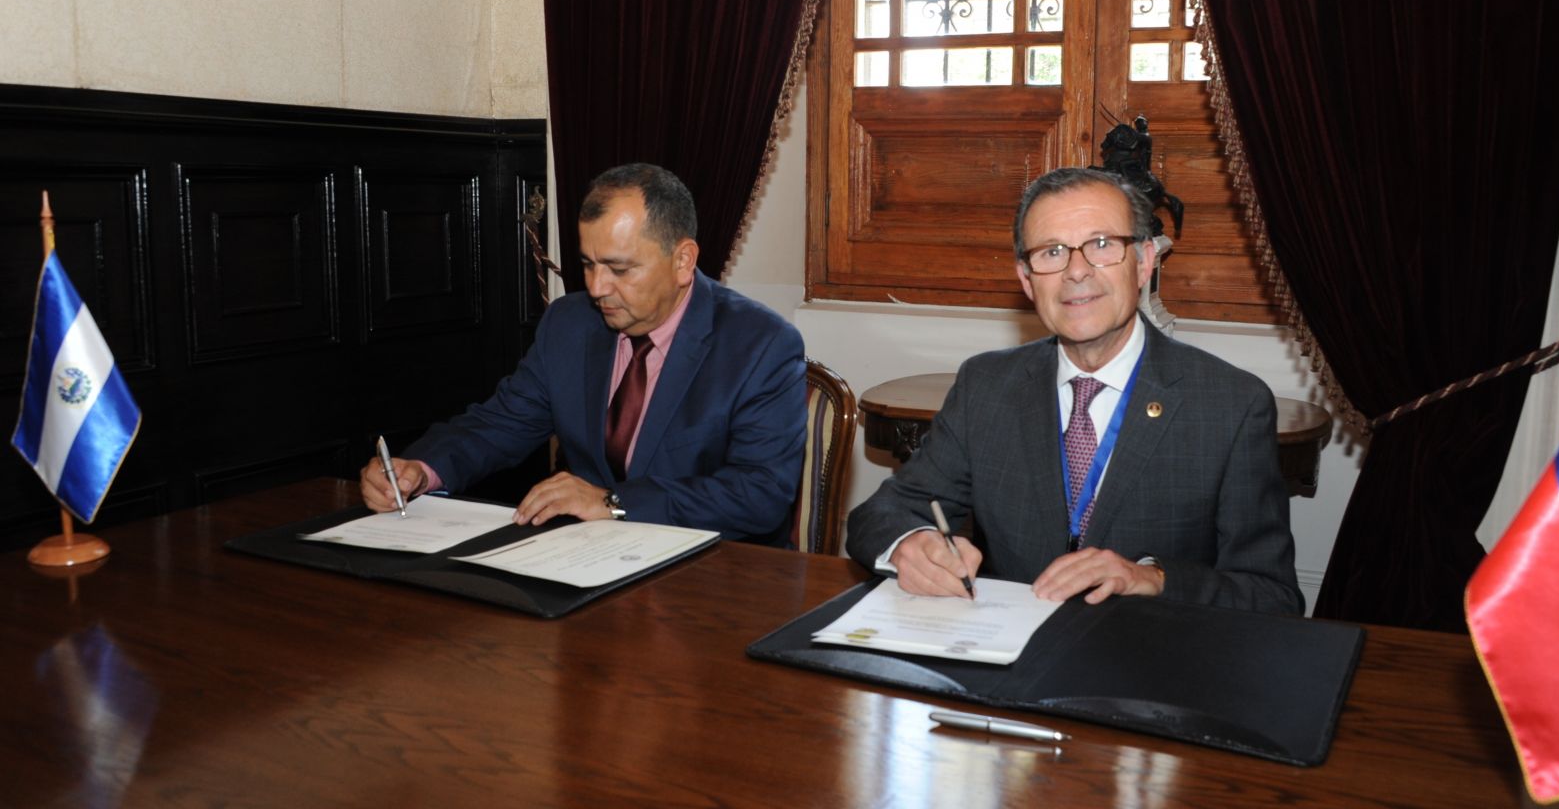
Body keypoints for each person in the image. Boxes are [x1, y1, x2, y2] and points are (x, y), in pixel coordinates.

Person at [846, 166, 1302, 614]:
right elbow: (880, 515)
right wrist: (910, 545)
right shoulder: (986, 386)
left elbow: (1270, 595)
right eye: (1051, 252)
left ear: (1144, 262)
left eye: (1102, 245)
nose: (1076, 271)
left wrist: (1152, 578)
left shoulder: (1231, 405)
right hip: (1007, 661)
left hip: (1150, 664)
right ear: (1027, 280)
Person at [361, 163, 807, 547]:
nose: (596, 288)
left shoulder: (760, 345)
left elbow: (760, 494)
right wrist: (422, 469)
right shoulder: (570, 324)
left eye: (619, 268)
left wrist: (613, 504)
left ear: (683, 260)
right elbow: (500, 425)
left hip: (714, 570)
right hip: (585, 558)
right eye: (589, 265)